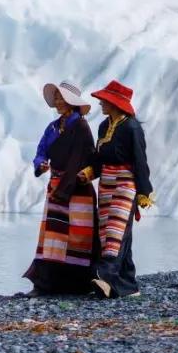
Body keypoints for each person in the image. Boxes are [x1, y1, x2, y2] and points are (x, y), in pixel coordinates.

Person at [23, 80, 97, 296]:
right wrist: (41, 164)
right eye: (55, 97)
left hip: (76, 188)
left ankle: (75, 285)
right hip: (57, 186)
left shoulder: (81, 127)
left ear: (70, 102)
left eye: (60, 97)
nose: (56, 101)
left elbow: (82, 158)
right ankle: (45, 284)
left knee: (76, 237)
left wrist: (65, 187)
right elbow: (41, 151)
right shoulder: (53, 127)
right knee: (53, 237)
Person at [88, 79, 153, 300]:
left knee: (116, 231)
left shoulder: (132, 128)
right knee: (109, 231)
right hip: (106, 183)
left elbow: (140, 160)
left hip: (126, 182)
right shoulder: (103, 126)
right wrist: (88, 173)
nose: (100, 104)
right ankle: (128, 284)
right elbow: (98, 159)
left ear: (114, 103)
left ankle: (104, 277)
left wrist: (144, 192)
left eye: (104, 101)